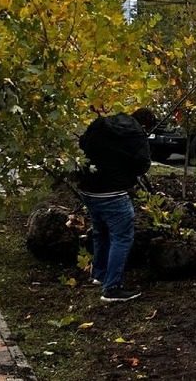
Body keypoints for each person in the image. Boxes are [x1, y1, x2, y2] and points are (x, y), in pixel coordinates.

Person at [77, 108, 154, 302]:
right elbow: (142, 165)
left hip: (88, 188)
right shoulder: (136, 135)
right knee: (122, 237)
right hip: (113, 193)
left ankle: (99, 274)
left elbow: (82, 144)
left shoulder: (102, 124)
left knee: (100, 232)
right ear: (145, 125)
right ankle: (112, 288)